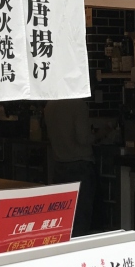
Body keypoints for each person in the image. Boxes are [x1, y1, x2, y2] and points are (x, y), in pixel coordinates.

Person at [44, 97, 96, 236]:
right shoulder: (78, 105)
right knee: (80, 218)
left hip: (58, 166)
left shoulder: (50, 105)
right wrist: (101, 134)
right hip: (79, 166)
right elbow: (83, 138)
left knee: (63, 218)